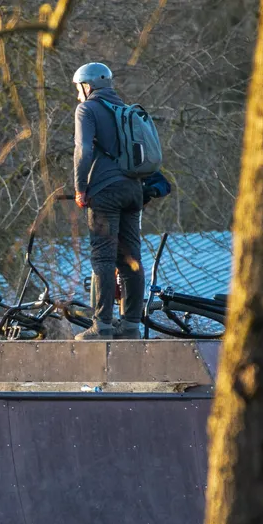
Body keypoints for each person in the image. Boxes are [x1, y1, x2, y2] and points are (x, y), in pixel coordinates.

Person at [71, 62, 145, 340]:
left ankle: (101, 325)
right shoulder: (126, 110)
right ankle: (131, 326)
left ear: (87, 86)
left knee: (102, 256)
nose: (78, 94)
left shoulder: (86, 109)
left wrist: (80, 187)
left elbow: (83, 148)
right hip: (133, 190)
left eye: (78, 88)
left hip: (105, 190)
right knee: (131, 258)